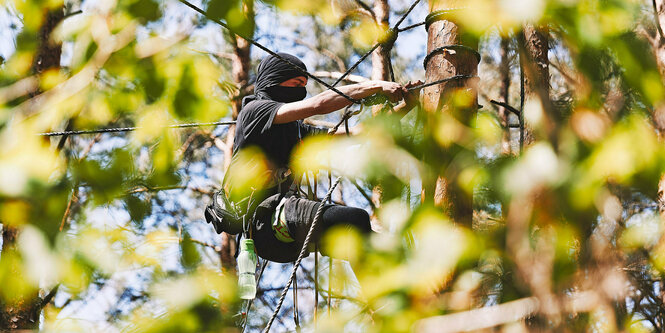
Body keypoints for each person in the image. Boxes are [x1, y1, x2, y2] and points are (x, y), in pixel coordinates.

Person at [206, 52, 420, 263]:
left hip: (282, 232)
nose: (301, 90)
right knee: (356, 219)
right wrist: (374, 86)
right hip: (265, 222)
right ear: (276, 79)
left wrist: (404, 107)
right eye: (296, 83)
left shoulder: (297, 132)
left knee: (367, 238)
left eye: (304, 85)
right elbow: (319, 105)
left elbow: (356, 133)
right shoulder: (255, 112)